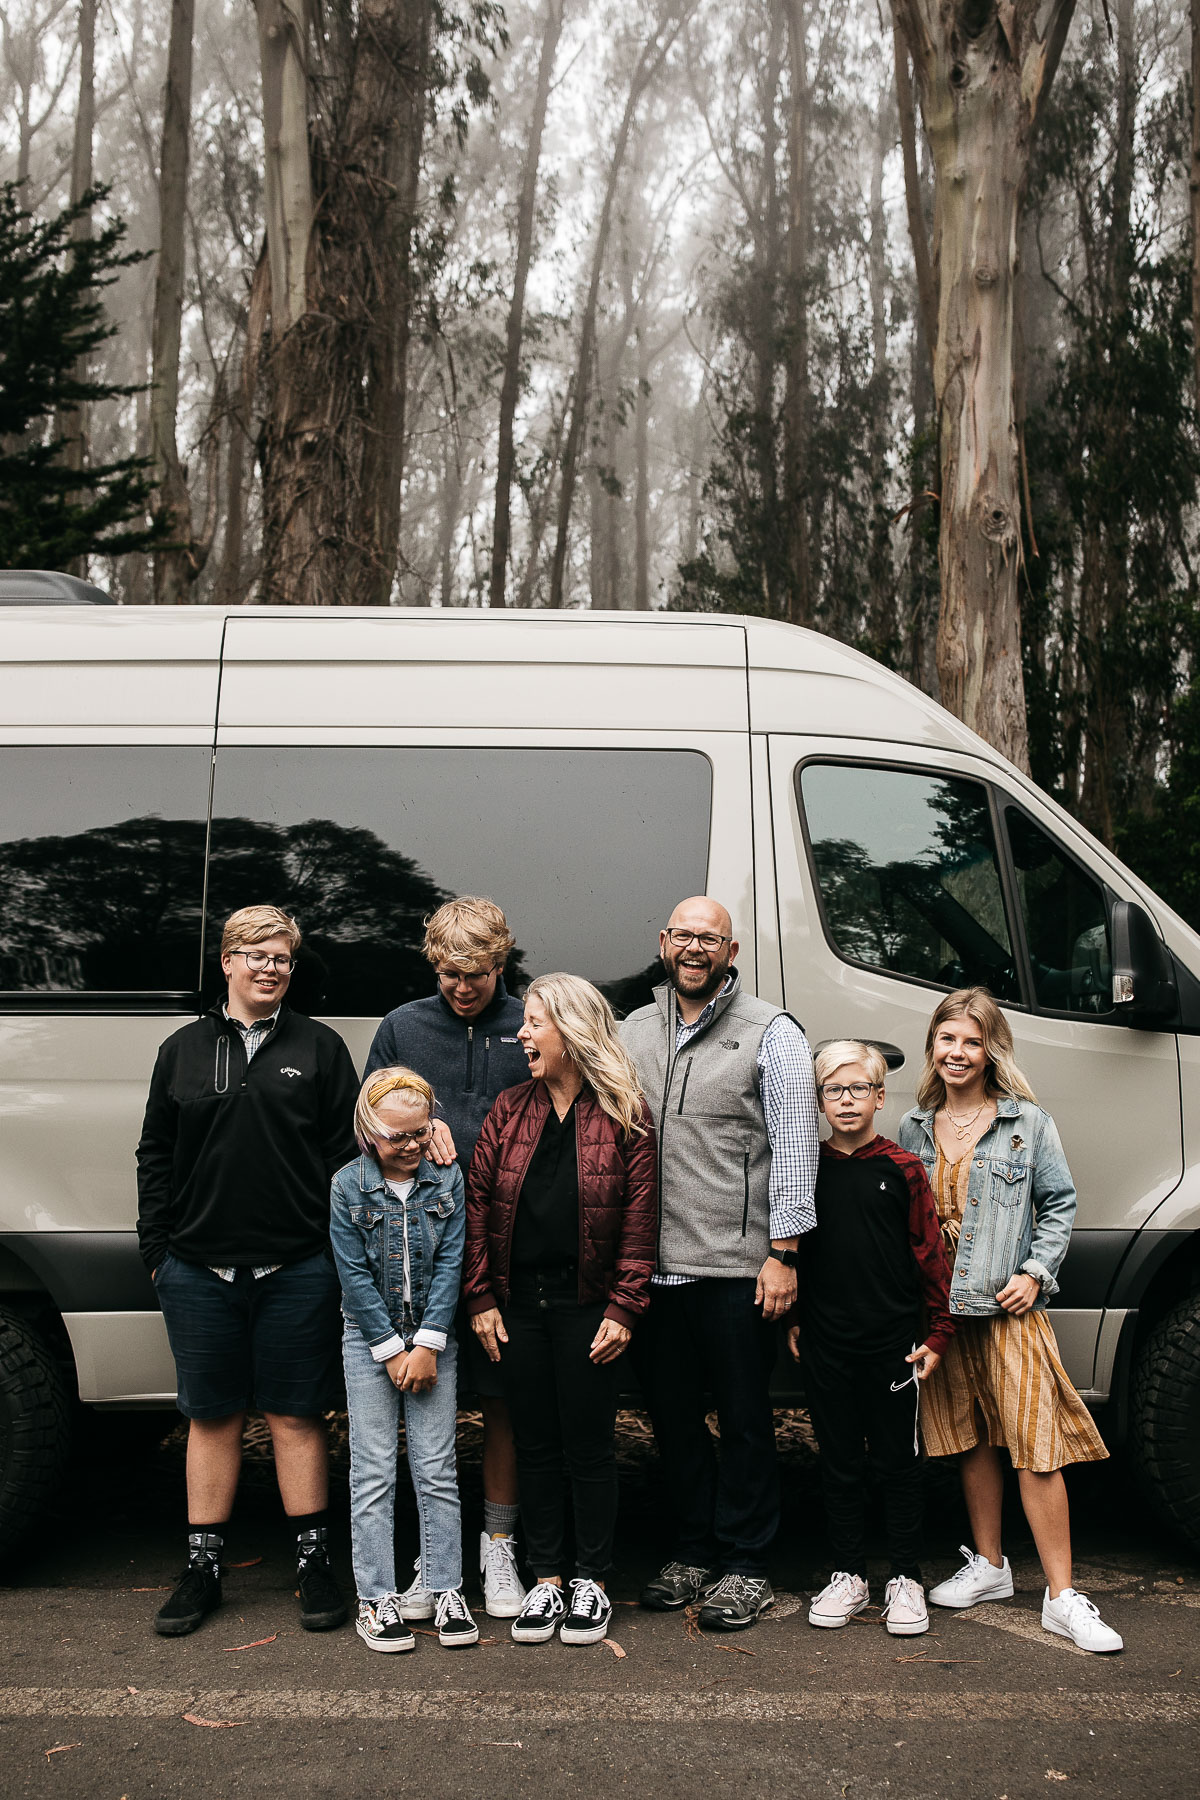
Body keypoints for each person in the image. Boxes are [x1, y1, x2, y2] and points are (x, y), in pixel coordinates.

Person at [136, 904, 359, 1638]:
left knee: (296, 1415)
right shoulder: (183, 1049)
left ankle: (315, 1564)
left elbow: (342, 1159)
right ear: (227, 962)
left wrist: (331, 1257)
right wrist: (159, 1255)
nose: (270, 969)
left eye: (283, 959)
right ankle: (202, 1570)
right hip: (198, 1271)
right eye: (256, 955)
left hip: (296, 1268)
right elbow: (157, 1155)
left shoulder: (321, 1049)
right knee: (212, 1416)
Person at [896, 987, 1123, 1654]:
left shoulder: (1026, 1123)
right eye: (947, 1040)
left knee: (1035, 1448)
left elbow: (1059, 1205)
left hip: (1005, 1309)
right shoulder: (913, 1127)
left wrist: (1034, 1273)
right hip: (941, 1316)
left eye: (971, 1041)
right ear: (933, 1047)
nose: (958, 1053)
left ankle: (1061, 1597)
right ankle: (991, 1567)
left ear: (990, 1050)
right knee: (971, 1440)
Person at [621, 896, 819, 1631]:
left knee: (743, 1421)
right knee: (670, 1420)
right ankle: (694, 1548)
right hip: (653, 1268)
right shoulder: (632, 1029)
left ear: (731, 952)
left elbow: (797, 1146)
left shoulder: (773, 1033)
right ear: (663, 942)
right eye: (682, 935)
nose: (694, 948)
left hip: (740, 1269)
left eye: (710, 938)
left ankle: (747, 1563)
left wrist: (784, 1253)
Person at [464, 973, 657, 1648]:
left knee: (588, 1447)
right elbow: (478, 1206)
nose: (521, 1033)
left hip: (588, 1308)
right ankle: (547, 1580)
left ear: (572, 1031)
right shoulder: (509, 1108)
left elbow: (640, 1220)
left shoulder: (625, 1110)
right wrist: (482, 1297)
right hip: (519, 1307)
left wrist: (627, 1307)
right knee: (534, 1445)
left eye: (535, 1022)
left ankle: (593, 1581)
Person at [364, 897, 529, 1620]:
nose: (462, 987)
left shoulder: (527, 1025)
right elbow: (362, 1131)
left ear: (501, 963)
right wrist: (412, 1129)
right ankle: (431, 1562)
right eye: (448, 973)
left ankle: (498, 1547)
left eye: (477, 973)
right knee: (421, 1411)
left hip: (503, 1255)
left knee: (502, 1405)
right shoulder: (403, 1026)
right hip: (419, 1258)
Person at [787, 1041, 954, 1637]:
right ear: (819, 1100)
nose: (847, 1100)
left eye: (859, 1089)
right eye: (834, 1090)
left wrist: (937, 1333)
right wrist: (797, 1320)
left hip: (893, 1345)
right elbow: (795, 1252)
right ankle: (849, 1574)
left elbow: (930, 1255)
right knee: (838, 1461)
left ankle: (905, 1577)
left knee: (897, 1462)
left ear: (880, 1098)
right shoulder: (806, 1169)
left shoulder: (903, 1169)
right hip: (827, 1342)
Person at [330, 1067, 479, 1654]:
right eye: (397, 1138)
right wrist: (392, 1348)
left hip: (433, 1339)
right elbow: (353, 1276)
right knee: (372, 1470)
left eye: (420, 1133)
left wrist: (429, 1341)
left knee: (437, 1468)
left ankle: (444, 1587)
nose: (412, 1146)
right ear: (369, 1133)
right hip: (368, 1340)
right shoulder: (348, 1185)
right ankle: (376, 1596)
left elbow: (452, 1266)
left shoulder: (446, 1179)